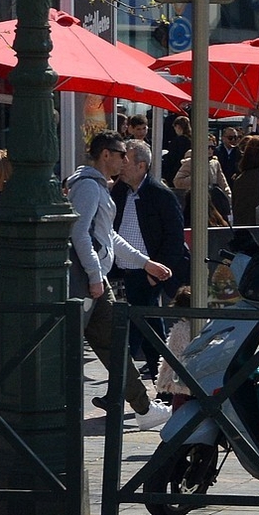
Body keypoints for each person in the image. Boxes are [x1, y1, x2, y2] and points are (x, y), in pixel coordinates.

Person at [69, 132, 149, 417]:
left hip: (95, 276)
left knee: (112, 342)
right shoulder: (89, 187)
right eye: (121, 153)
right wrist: (93, 275)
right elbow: (80, 233)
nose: (125, 160)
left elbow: (107, 234)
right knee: (110, 341)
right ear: (105, 154)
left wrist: (143, 262)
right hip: (89, 278)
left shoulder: (98, 187)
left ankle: (138, 405)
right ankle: (141, 406)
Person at [109, 139, 186, 381]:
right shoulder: (120, 191)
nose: (121, 165)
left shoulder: (160, 194)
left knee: (133, 334)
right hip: (122, 272)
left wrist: (156, 273)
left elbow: (175, 237)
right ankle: (158, 382)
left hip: (148, 273)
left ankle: (122, 389)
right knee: (149, 332)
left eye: (126, 160)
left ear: (142, 166)